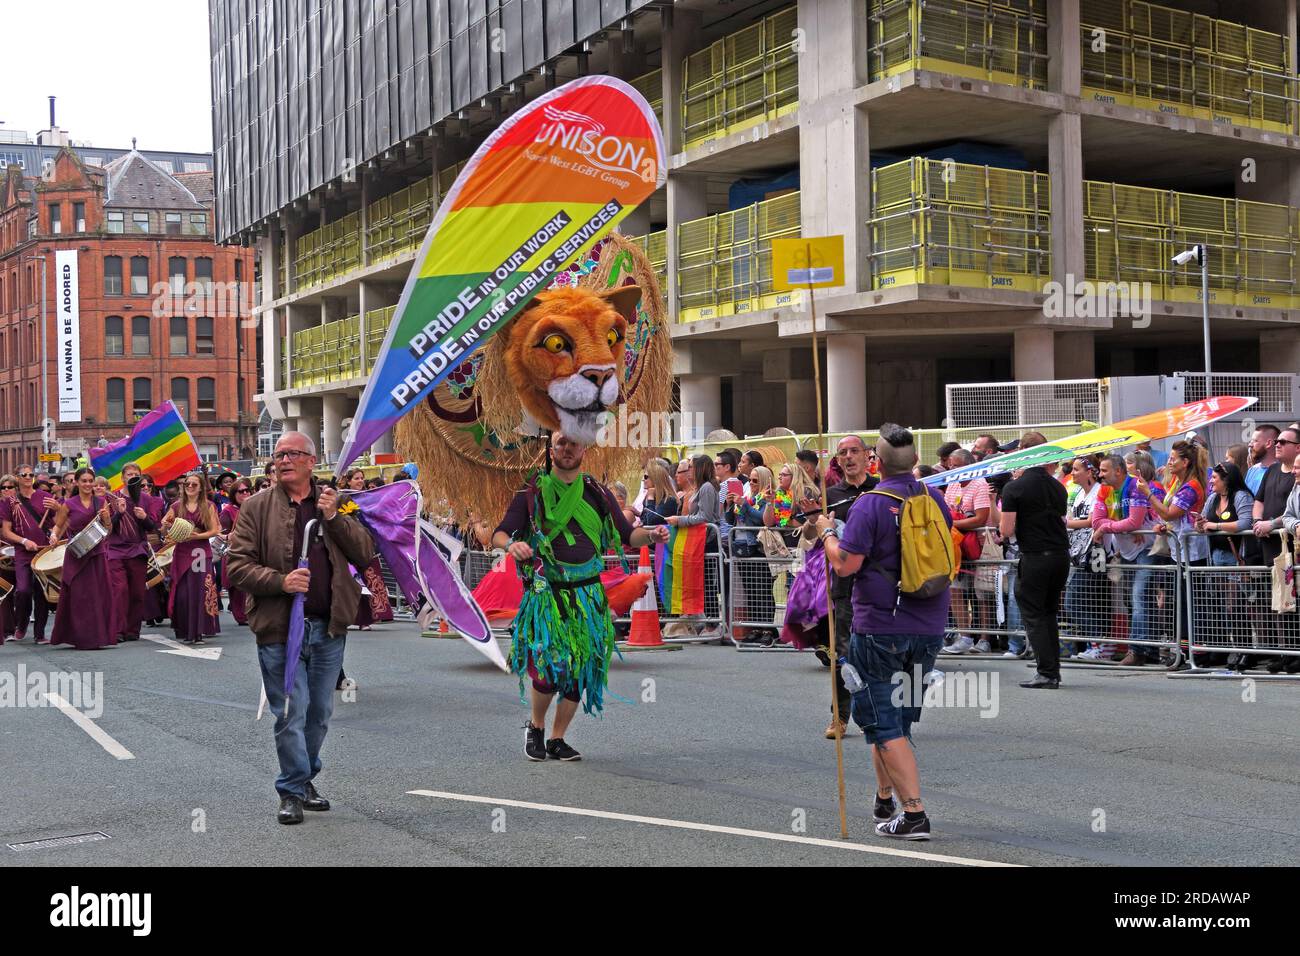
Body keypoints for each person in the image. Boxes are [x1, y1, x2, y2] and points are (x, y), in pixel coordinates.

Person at [492, 431, 668, 762]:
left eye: (573, 443)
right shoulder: (533, 491)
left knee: (580, 671)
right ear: (551, 448)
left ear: (584, 448)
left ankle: (558, 739)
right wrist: (511, 545)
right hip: (549, 596)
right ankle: (536, 726)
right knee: (548, 669)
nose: (567, 449)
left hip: (588, 595)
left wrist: (654, 535)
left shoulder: (597, 492)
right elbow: (500, 533)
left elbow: (630, 533)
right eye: (561, 443)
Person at [228, 431, 375, 824]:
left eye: (292, 453)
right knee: (291, 712)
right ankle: (292, 789)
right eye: (278, 454)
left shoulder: (335, 503)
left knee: (320, 712)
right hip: (279, 627)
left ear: (312, 461)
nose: (282, 460)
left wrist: (333, 517)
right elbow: (237, 565)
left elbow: (365, 552)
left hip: (329, 627)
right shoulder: (256, 508)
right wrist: (281, 582)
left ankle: (304, 776)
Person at [815, 423, 952, 840]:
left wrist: (826, 534)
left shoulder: (871, 504)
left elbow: (846, 565)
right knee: (899, 719)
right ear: (914, 460)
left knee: (882, 719)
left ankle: (914, 813)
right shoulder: (936, 498)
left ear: (877, 461)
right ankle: (884, 795)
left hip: (881, 624)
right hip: (928, 625)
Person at [816, 435, 879, 738]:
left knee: (881, 651)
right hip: (844, 584)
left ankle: (885, 713)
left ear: (868, 455)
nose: (849, 456)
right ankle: (839, 716)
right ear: (838, 461)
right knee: (843, 652)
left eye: (855, 451)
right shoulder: (831, 493)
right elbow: (812, 532)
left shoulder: (881, 488)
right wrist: (813, 522)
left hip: (880, 583)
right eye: (843, 453)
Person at [1000, 431, 1069, 689]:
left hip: (1035, 556)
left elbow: (1006, 531)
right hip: (1060, 554)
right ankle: (1052, 669)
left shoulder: (1014, 487)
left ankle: (1047, 672)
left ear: (1023, 451)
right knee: (1049, 612)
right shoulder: (1058, 486)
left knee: (1034, 613)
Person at [1197, 462, 1258, 669]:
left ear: (1226, 479)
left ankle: (1246, 652)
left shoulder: (1241, 496)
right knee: (1217, 606)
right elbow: (1204, 520)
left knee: (1236, 606)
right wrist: (1200, 524)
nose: (1211, 481)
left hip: (1236, 557)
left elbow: (1244, 523)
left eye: (1214, 478)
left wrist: (1214, 526)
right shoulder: (1213, 498)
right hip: (1216, 556)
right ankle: (1222, 650)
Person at [49, 468, 117, 651]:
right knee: (79, 597)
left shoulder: (101, 502)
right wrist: (54, 536)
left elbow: (107, 531)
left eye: (90, 481)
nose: (87, 484)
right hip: (76, 555)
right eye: (84, 481)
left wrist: (107, 519)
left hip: (97, 555)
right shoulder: (68, 504)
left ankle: (99, 636)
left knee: (98, 595)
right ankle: (79, 636)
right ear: (77, 483)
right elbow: (58, 526)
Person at [941, 449, 992, 655]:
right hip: (956, 547)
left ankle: (984, 639)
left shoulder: (980, 484)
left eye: (955, 466)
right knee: (956, 591)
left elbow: (980, 518)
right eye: (950, 466)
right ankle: (964, 637)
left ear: (968, 466)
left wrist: (953, 522)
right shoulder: (952, 484)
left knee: (982, 594)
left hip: (978, 548)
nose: (951, 469)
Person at [106, 462, 165, 643]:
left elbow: (154, 527)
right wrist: (118, 513)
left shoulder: (147, 500)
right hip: (116, 550)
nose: (132, 477)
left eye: (135, 475)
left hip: (138, 550)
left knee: (137, 592)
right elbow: (107, 528)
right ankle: (118, 630)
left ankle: (133, 630)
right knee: (119, 590)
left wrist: (144, 517)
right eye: (129, 474)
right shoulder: (112, 498)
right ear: (122, 478)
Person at [163, 472, 222, 645]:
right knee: (182, 593)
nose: (189, 487)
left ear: (201, 488)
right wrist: (166, 526)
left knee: (199, 592)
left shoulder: (208, 506)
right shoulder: (175, 506)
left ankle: (198, 631)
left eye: (194, 484)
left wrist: (195, 536)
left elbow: (214, 531)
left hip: (200, 553)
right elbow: (164, 529)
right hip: (182, 553)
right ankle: (184, 630)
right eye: (187, 484)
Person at [0, 464, 57, 643]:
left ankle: (39, 634)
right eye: (24, 474)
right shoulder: (10, 502)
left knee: (41, 592)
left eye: (31, 474)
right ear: (17, 477)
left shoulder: (45, 497)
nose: (28, 477)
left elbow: (59, 521)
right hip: (23, 552)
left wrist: (55, 533)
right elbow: (7, 532)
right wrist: (24, 541)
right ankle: (22, 624)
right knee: (23, 590)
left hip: (44, 551)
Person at [668, 454, 723, 636]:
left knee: (707, 582)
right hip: (699, 540)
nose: (688, 470)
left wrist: (681, 520)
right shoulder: (701, 487)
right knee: (702, 581)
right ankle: (706, 622)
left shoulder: (707, 488)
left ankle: (712, 624)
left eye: (691, 466)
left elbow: (705, 516)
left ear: (699, 468)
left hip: (707, 540)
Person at [1063, 456, 1109, 661]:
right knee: (1086, 600)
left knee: (1079, 600)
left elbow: (1093, 520)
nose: (1072, 473)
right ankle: (1095, 644)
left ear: (1090, 472)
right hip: (1078, 553)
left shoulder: (1099, 491)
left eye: (1076, 469)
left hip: (1096, 551)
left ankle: (1099, 644)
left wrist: (1067, 523)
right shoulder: (1080, 493)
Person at [729, 465, 776, 645]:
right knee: (751, 591)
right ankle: (755, 626)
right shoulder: (749, 497)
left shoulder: (765, 498)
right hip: (742, 547)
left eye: (755, 480)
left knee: (763, 590)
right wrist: (730, 505)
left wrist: (744, 505)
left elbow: (761, 519)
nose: (751, 483)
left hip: (758, 547)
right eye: (750, 480)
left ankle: (768, 629)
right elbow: (731, 519)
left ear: (763, 480)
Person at [219, 479, 254, 626]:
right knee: (238, 587)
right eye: (241, 491)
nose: (245, 493)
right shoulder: (228, 511)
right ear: (234, 494)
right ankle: (240, 615)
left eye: (247, 490)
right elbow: (218, 533)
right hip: (235, 552)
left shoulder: (254, 507)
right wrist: (228, 536)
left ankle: (250, 612)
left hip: (253, 552)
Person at [0, 475, 19, 641]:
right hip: (2, 554)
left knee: (24, 591)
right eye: (3, 487)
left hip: (21, 551)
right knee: (5, 591)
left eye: (10, 487)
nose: (7, 490)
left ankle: (21, 621)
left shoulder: (21, 505)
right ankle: (8, 629)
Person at [638, 461, 678, 527]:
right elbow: (644, 520)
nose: (643, 479)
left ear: (656, 479)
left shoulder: (669, 500)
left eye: (645, 477)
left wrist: (650, 498)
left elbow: (652, 522)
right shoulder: (651, 498)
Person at [1245, 425, 1278, 495]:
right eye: (1251, 441)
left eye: (1255, 441)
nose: (1250, 445)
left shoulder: (1281, 471)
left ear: (1268, 443)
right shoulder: (1252, 470)